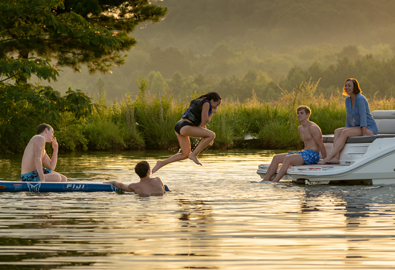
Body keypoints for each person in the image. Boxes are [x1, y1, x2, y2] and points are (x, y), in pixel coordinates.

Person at [152, 92, 222, 173]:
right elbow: (204, 121)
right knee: (212, 134)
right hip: (185, 126)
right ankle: (194, 155)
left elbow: (201, 126)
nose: (216, 107)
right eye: (217, 104)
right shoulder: (206, 103)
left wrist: (208, 137)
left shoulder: (200, 101)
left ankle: (162, 163)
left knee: (185, 154)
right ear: (212, 100)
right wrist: (212, 113)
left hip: (179, 125)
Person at [318, 78, 378, 165]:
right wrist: (347, 128)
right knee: (337, 131)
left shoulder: (360, 99)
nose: (346, 87)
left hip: (368, 128)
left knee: (345, 132)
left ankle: (328, 157)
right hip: (356, 127)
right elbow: (348, 117)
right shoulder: (347, 100)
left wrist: (364, 135)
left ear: (355, 87)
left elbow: (363, 117)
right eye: (345, 86)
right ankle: (336, 158)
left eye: (349, 86)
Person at [262, 106, 327, 182]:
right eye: (298, 113)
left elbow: (321, 144)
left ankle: (275, 181)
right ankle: (265, 180)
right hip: (303, 153)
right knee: (276, 158)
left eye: (302, 113)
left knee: (288, 158)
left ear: (307, 115)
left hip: (312, 155)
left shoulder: (313, 127)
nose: (299, 115)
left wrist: (325, 160)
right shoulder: (300, 128)